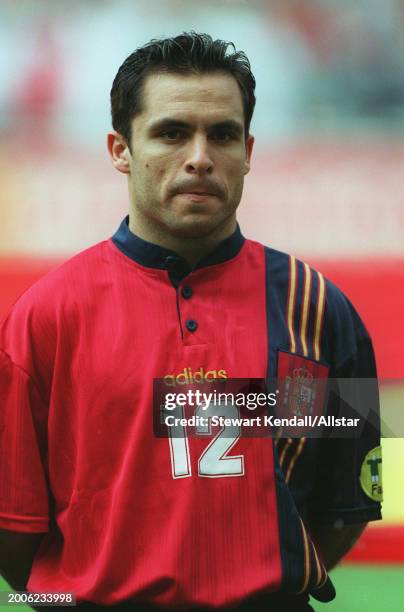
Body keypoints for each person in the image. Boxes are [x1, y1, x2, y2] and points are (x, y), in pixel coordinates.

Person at [0, 32, 382, 611]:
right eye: (172, 132)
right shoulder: (45, 315)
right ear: (119, 149)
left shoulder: (321, 308)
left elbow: (355, 499)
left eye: (223, 134)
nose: (200, 156)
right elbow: (13, 529)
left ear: (248, 150)